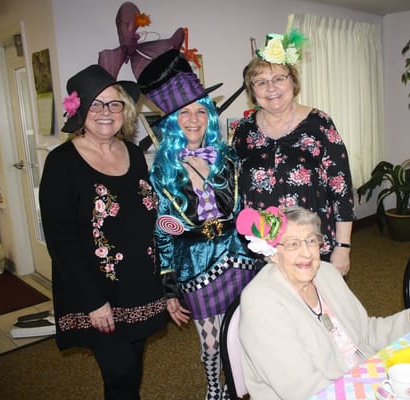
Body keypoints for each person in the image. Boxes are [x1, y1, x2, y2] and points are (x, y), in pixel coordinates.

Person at [39, 65, 167, 399]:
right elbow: (60, 240)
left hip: (139, 287)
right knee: (120, 374)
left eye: (114, 104)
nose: (106, 113)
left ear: (125, 110)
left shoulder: (135, 154)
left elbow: (143, 216)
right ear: (78, 110)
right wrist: (94, 302)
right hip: (95, 294)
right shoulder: (61, 163)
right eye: (96, 104)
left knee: (133, 370)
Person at [236, 206, 410, 400]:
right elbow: (304, 390)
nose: (306, 253)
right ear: (273, 253)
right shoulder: (261, 303)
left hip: (364, 378)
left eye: (311, 241)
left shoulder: (327, 274)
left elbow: (366, 331)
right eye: (293, 244)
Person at [138, 50, 260, 400]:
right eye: (183, 113)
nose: (193, 120)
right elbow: (162, 231)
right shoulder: (162, 170)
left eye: (200, 111)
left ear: (209, 115)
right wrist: (168, 284)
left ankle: (244, 384)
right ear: (173, 121)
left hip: (239, 257)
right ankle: (214, 391)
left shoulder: (230, 157)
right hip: (194, 265)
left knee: (245, 330)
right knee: (210, 342)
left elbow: (245, 210)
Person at [233, 30, 354, 276]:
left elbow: (341, 187)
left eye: (279, 78)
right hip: (263, 250)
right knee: (272, 311)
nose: (271, 88)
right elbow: (236, 191)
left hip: (312, 247)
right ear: (252, 90)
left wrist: (343, 246)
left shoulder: (319, 123)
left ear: (293, 81)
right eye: (261, 82)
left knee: (316, 310)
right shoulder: (243, 131)